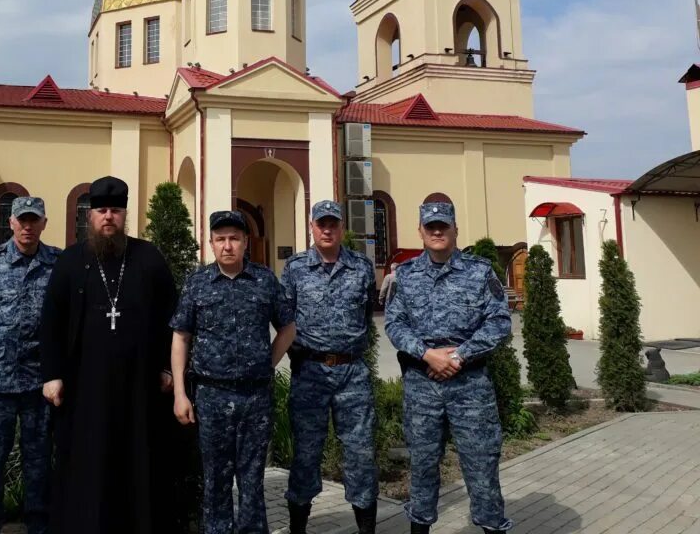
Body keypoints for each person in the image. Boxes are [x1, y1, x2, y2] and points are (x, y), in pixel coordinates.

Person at [39, 176, 177, 534]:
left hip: (140, 386)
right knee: (88, 461)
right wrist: (52, 375)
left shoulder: (148, 257)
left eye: (115, 210)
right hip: (85, 386)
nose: (108, 217)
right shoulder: (70, 261)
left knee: (137, 460)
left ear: (125, 214)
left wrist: (167, 367)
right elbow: (51, 321)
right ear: (90, 215)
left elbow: (171, 316)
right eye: (101, 210)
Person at [384, 202, 513, 534]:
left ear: (455, 229)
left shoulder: (480, 271)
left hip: (470, 386)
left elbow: (498, 322)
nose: (437, 232)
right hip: (422, 384)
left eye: (443, 226)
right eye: (431, 227)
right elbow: (395, 325)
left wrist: (458, 356)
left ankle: (491, 525)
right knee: (423, 467)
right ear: (421, 232)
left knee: (482, 467)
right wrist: (428, 354)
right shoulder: (407, 274)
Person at [170, 210, 296, 534]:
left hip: (255, 397)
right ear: (210, 243)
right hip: (211, 396)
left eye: (234, 239)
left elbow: (288, 327)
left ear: (245, 242)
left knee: (253, 481)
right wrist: (181, 394)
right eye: (220, 239)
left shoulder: (265, 279)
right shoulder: (197, 283)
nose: (227, 245)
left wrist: (267, 363)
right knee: (215, 481)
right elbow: (181, 337)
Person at [281, 200, 379, 534]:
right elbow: (286, 320)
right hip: (310, 374)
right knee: (306, 457)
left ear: (341, 228)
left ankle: (366, 529)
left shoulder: (362, 267)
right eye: (321, 223)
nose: (327, 229)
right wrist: (303, 357)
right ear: (311, 226)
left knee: (361, 456)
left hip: (353, 375)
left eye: (333, 224)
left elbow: (367, 315)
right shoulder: (295, 269)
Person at [0, 196, 60, 534]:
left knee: (39, 466)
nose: (27, 226)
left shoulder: (57, 264)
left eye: (34, 220)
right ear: (11, 223)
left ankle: (38, 527)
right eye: (22, 220)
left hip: (38, 384)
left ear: (44, 223)